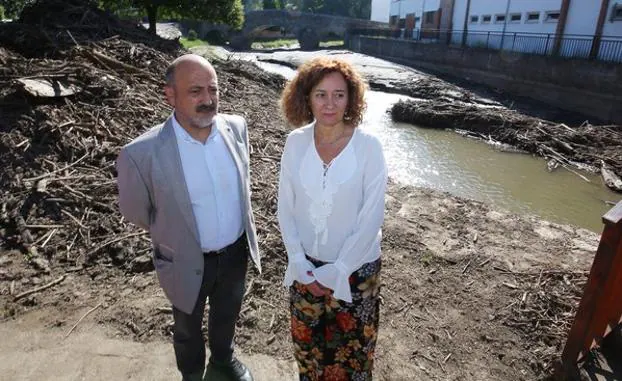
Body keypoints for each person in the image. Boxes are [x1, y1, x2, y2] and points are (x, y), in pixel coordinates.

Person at [116, 53, 260, 381]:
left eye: (213, 89)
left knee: (227, 314)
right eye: (195, 91)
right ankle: (192, 375)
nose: (208, 99)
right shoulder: (141, 153)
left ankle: (223, 361)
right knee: (186, 326)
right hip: (183, 258)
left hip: (236, 254)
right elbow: (136, 211)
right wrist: (175, 233)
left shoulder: (236, 128)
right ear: (171, 95)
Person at [277, 57, 388, 381]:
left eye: (339, 94)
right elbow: (285, 207)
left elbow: (372, 217)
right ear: (306, 97)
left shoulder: (369, 147)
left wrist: (339, 271)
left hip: (357, 272)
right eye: (320, 94)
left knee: (353, 357)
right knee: (309, 355)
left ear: (351, 98)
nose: (330, 103)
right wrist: (298, 261)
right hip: (304, 269)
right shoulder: (294, 143)